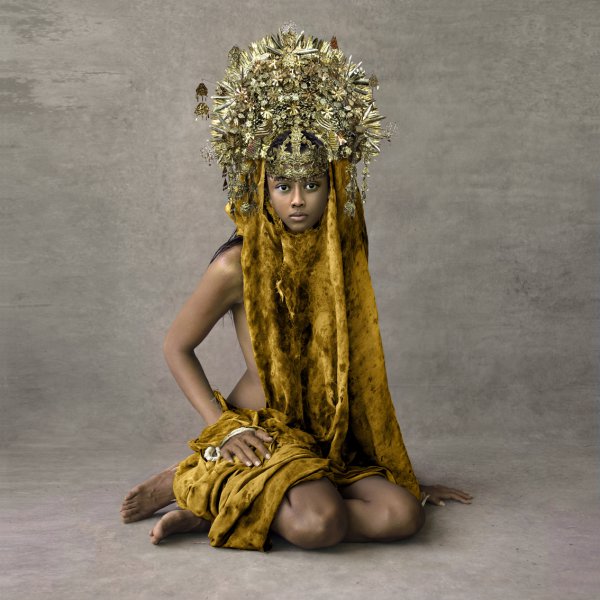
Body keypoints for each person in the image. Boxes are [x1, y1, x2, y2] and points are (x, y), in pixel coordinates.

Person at [120, 25, 472, 551]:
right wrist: (225, 429)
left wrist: (398, 470)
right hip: (265, 428)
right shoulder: (236, 265)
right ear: (261, 187)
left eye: (312, 183)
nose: (298, 200)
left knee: (402, 516)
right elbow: (176, 346)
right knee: (318, 527)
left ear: (335, 184)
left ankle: (227, 500)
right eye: (282, 186)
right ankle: (202, 481)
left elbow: (350, 363)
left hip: (324, 428)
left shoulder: (342, 253)